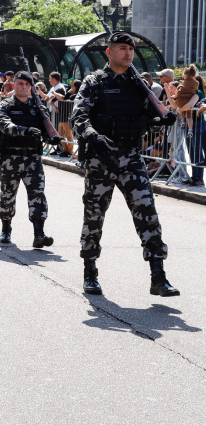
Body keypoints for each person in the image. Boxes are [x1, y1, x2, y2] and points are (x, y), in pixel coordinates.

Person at [70, 31, 179, 297]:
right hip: (101, 156)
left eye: (130, 50)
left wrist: (162, 120)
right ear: (109, 52)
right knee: (94, 213)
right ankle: (90, 272)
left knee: (147, 212)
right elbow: (79, 116)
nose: (128, 53)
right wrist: (94, 137)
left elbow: (146, 119)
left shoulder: (138, 84)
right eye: (121, 48)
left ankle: (158, 276)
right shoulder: (94, 81)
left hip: (130, 156)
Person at [0, 71, 58, 248]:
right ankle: (6, 229)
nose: (23, 87)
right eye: (20, 84)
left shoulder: (38, 107)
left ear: (31, 87)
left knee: (38, 195)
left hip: (33, 159)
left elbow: (45, 130)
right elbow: (5, 125)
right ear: (14, 85)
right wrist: (24, 130)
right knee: (7, 194)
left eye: (27, 85)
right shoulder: (5, 105)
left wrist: (52, 138)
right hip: (10, 157)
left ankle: (39, 233)